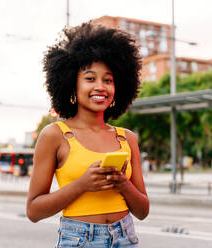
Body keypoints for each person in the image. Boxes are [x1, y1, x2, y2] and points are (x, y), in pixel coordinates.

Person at [27, 22, 149, 247]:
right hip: (79, 239)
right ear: (72, 84)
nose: (101, 87)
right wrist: (82, 185)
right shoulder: (55, 135)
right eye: (90, 78)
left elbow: (143, 211)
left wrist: (123, 183)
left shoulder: (127, 138)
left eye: (108, 79)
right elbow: (34, 211)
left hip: (126, 237)